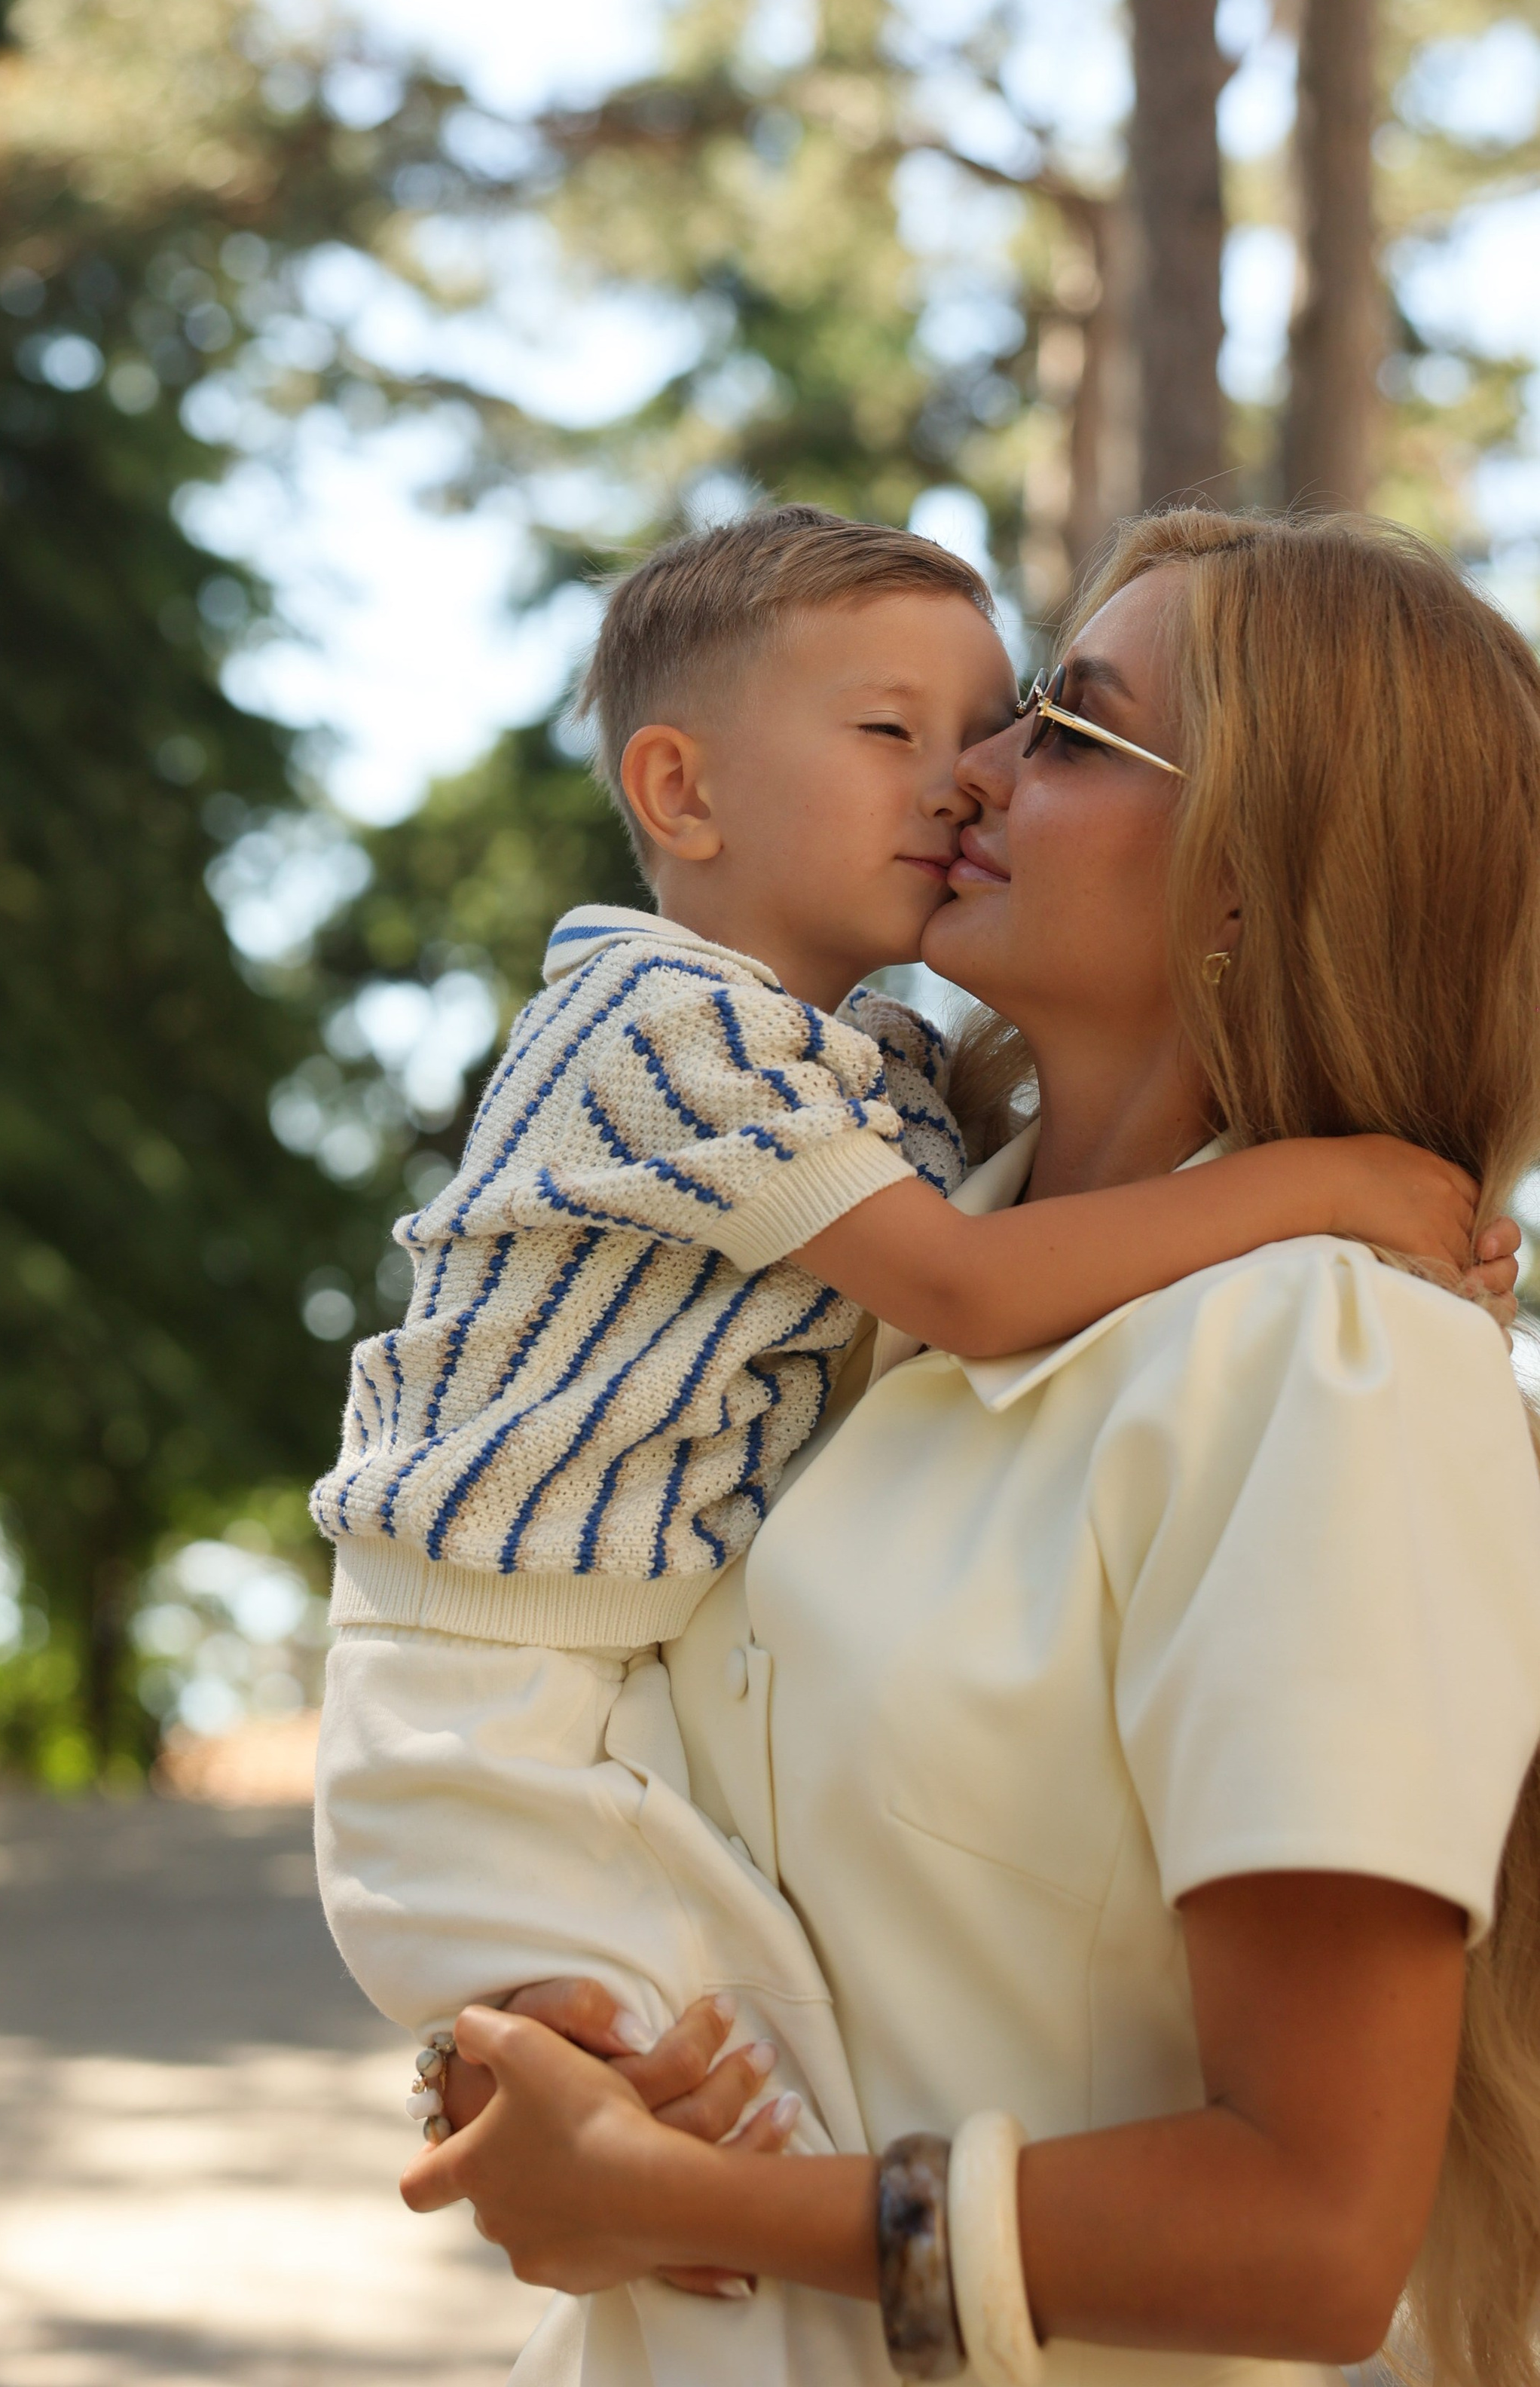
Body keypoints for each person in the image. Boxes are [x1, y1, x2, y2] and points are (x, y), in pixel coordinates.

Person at [401, 507, 1540, 2387]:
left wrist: (681, 2202)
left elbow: (1316, 2237)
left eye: (1067, 730)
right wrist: (524, 2053)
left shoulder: (1327, 1366)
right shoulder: (841, 1296)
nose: (971, 771)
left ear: (1248, 879)